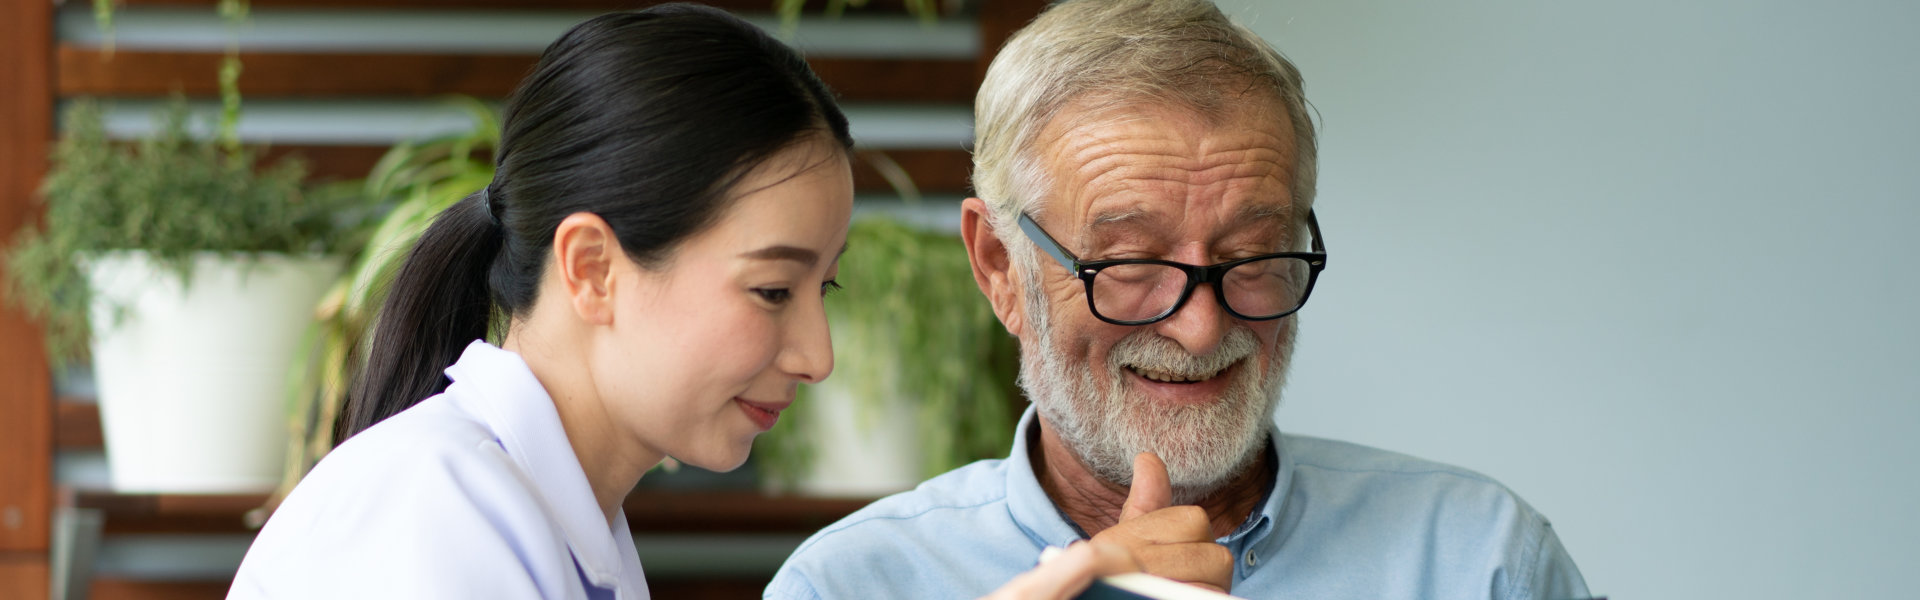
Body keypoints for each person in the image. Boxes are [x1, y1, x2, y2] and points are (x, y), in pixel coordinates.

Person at [227, 5, 1135, 599]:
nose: (817, 355)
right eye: (773, 290)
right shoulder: (427, 515)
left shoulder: (562, 520)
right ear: (591, 269)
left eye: (823, 289)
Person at [767, 1, 1593, 599]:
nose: (1202, 329)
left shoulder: (1482, 561)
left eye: (1251, 254)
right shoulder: (849, 584)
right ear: (999, 267)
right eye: (1128, 262)